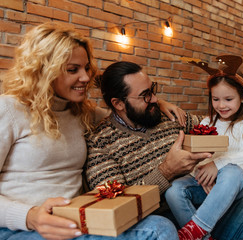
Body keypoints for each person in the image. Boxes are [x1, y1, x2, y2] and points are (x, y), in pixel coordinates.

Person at [85, 60, 243, 240]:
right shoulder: (101, 144)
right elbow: (114, 207)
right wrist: (166, 172)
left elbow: (219, 123)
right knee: (173, 194)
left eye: (152, 89)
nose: (155, 98)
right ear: (118, 104)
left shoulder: (168, 117)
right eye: (146, 96)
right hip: (167, 218)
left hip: (218, 200)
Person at [0, 22, 183, 240]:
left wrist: (156, 101)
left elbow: (124, 108)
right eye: (72, 70)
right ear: (44, 70)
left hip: (77, 218)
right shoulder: (9, 109)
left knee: (160, 225)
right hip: (24, 228)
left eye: (86, 67)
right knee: (158, 230)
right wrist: (30, 216)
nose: (86, 78)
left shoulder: (80, 112)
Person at [165, 55, 243, 240]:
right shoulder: (208, 122)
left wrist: (217, 166)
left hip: (235, 185)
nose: (221, 105)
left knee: (232, 171)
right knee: (173, 189)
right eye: (216, 99)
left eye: (228, 99)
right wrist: (203, 174)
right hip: (206, 184)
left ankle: (196, 229)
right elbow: (199, 153)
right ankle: (203, 237)